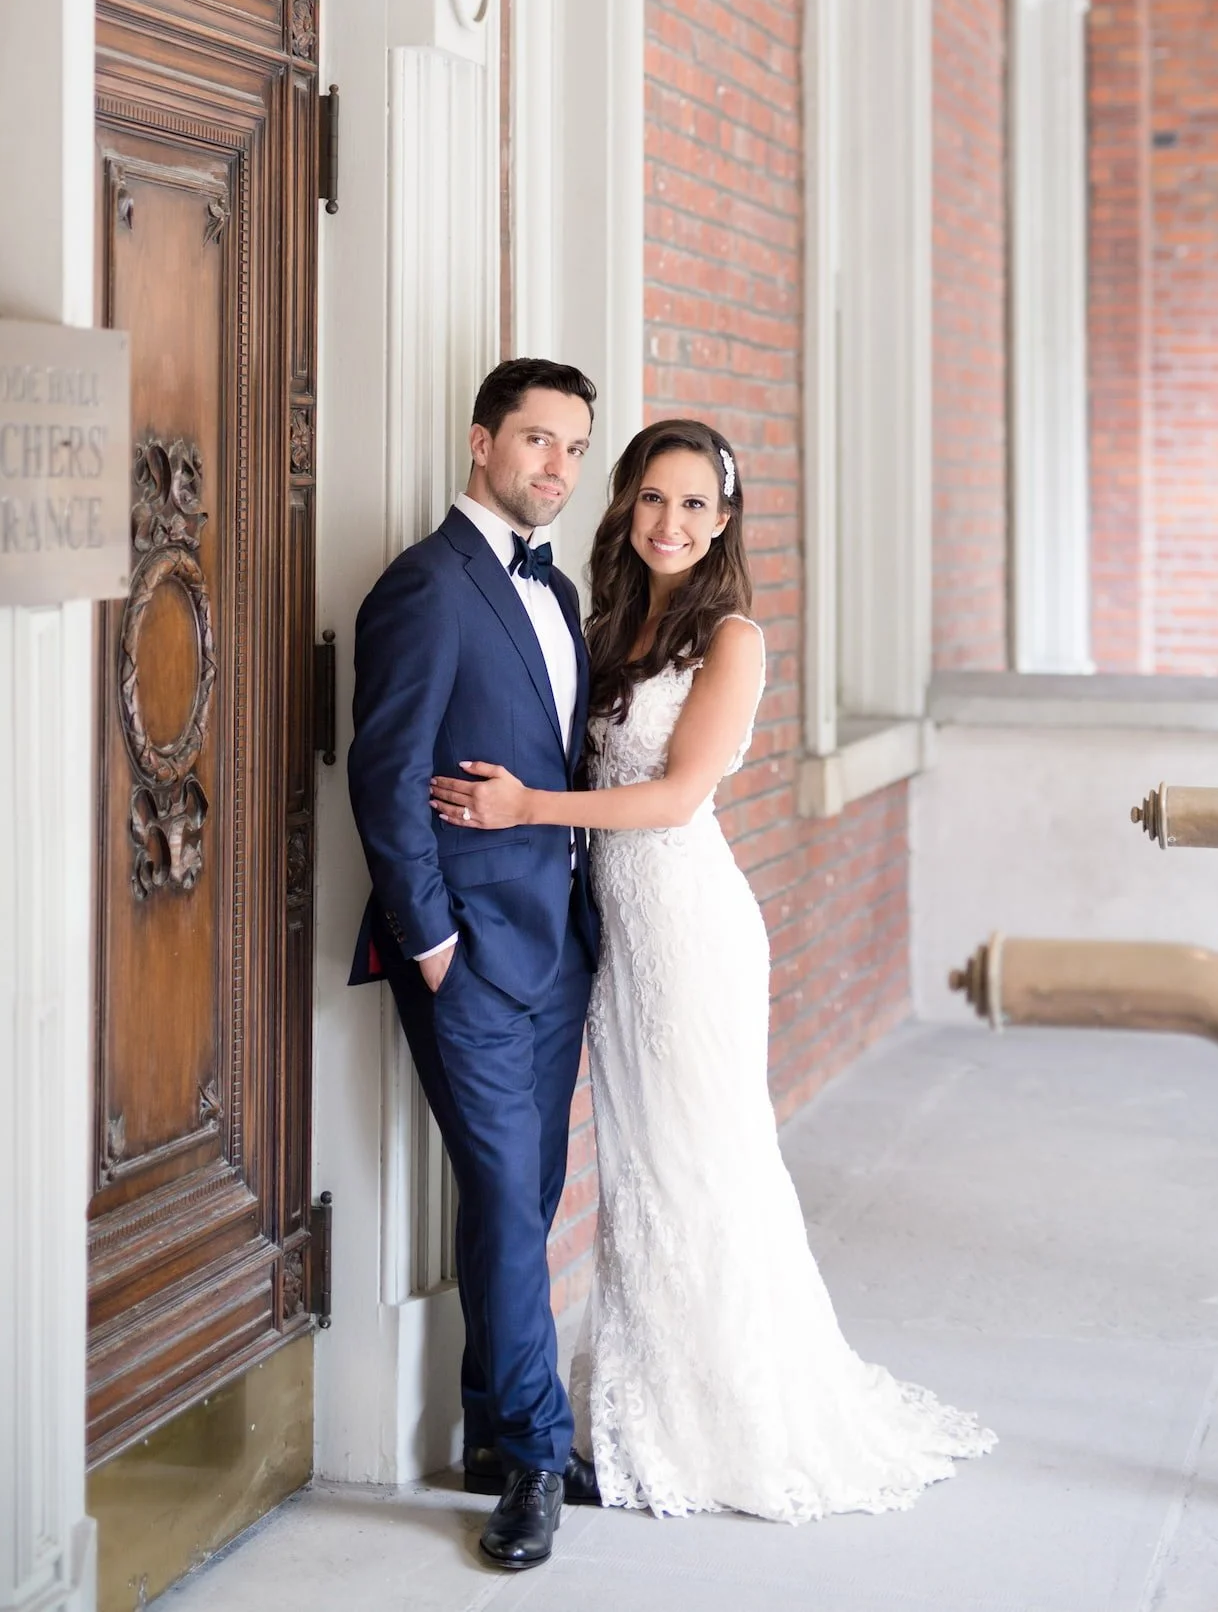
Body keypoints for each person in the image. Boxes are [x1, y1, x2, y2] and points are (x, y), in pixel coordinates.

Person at [433, 417, 995, 1521]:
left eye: (694, 504)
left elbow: (675, 795)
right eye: (651, 498)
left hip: (688, 927)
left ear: (724, 519)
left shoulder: (729, 637)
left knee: (705, 1165)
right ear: (624, 505)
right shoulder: (612, 621)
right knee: (642, 1168)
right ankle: (650, 1397)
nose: (669, 521)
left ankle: (731, 1418)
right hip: (619, 940)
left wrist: (526, 805)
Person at [347, 358, 603, 1571]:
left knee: (525, 1194)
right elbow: (383, 773)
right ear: (479, 441)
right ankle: (537, 1462)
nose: (554, 466)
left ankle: (497, 1432)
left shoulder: (559, 593)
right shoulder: (427, 585)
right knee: (506, 1195)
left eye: (571, 448)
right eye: (535, 440)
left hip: (556, 948)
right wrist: (434, 941)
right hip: (471, 955)